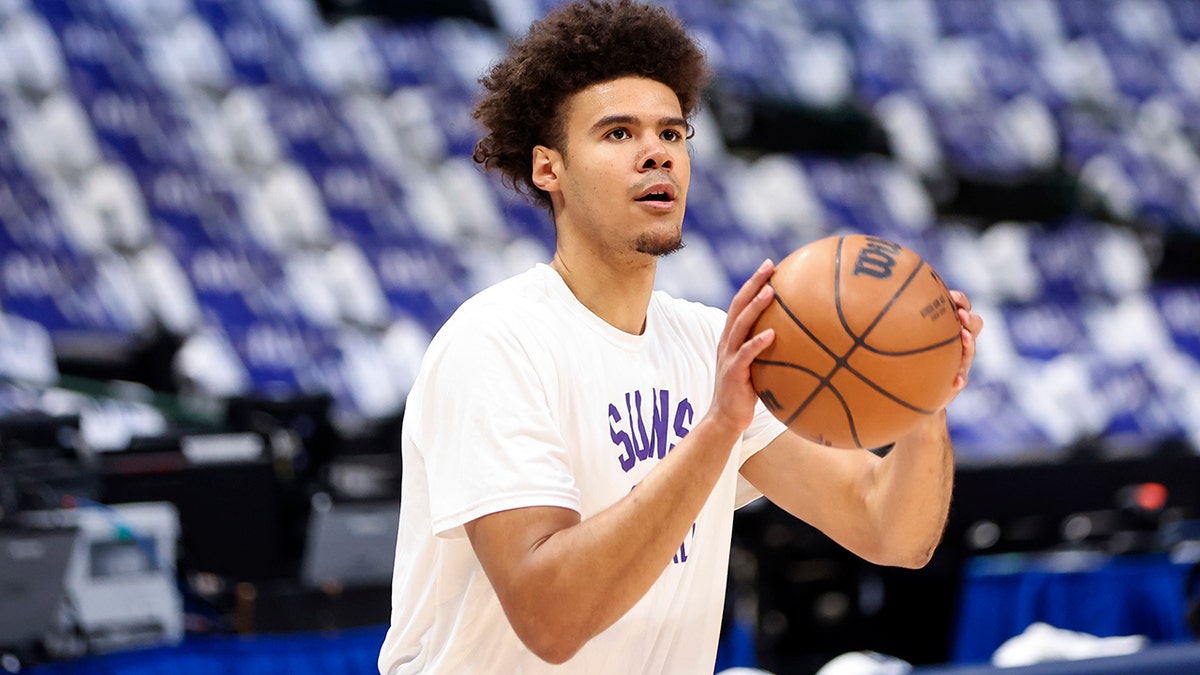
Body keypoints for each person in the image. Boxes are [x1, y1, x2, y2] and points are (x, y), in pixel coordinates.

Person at [377, 1, 985, 673]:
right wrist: (719, 427)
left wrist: (922, 399)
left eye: (672, 132)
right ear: (550, 168)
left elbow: (889, 530)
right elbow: (551, 618)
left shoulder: (705, 343)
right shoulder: (495, 343)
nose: (656, 152)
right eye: (617, 134)